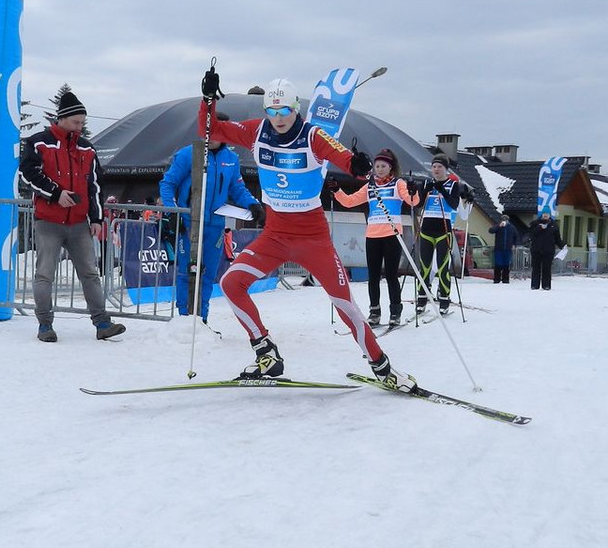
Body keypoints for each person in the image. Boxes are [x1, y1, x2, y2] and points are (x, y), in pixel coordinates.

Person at [198, 69, 412, 390]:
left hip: (313, 240)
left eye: (284, 110)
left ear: (295, 108)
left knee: (345, 306)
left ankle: (382, 367)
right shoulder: (257, 132)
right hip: (275, 235)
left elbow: (339, 154)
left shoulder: (311, 135)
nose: (278, 117)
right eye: (271, 111)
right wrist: (208, 100)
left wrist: (357, 164)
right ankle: (265, 351)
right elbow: (208, 129)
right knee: (231, 283)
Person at [19, 90, 125, 343]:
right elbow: (27, 174)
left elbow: (95, 186)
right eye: (76, 122)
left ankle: (102, 322)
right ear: (62, 119)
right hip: (48, 221)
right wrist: (55, 193)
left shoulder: (87, 148)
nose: (80, 127)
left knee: (90, 273)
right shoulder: (38, 142)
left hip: (79, 222)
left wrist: (97, 219)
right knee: (44, 274)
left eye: (82, 123)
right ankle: (45, 325)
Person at [158, 114, 258, 322]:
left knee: (208, 274)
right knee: (187, 272)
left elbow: (237, 188)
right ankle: (184, 319)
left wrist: (253, 205)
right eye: (206, 131)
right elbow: (167, 184)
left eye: (216, 132)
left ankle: (202, 319)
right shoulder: (188, 154)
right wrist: (172, 211)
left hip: (215, 226)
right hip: (189, 224)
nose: (210, 136)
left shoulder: (231, 159)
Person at [332, 148, 418, 327]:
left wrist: (413, 191)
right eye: (377, 166)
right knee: (373, 276)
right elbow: (350, 201)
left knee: (392, 275)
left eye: (383, 166)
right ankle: (375, 311)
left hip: (393, 235)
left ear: (391, 167)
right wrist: (337, 190)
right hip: (372, 235)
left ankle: (395, 311)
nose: (379, 169)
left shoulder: (398, 184)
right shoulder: (370, 185)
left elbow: (412, 202)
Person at [410, 154, 474, 315]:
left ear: (446, 169)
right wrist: (419, 190)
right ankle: (422, 297)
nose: (436, 169)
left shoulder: (453, 185)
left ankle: (444, 298)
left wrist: (442, 191)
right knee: (424, 266)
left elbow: (453, 205)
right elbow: (417, 204)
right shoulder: (426, 182)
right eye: (434, 167)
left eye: (440, 167)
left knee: (442, 266)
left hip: (443, 230)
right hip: (426, 229)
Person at [527, 211, 565, 290]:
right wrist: (539, 228)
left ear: (549, 215)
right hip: (536, 250)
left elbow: (557, 238)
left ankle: (546, 285)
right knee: (536, 268)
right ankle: (534, 285)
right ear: (541, 214)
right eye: (544, 213)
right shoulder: (534, 223)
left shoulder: (554, 225)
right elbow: (530, 235)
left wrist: (562, 246)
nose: (545, 215)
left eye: (547, 214)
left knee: (547, 268)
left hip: (548, 250)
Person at [487, 216, 519, 284]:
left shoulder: (512, 228)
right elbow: (491, 231)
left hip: (508, 249)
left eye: (506, 220)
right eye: (503, 220)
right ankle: (496, 279)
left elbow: (516, 236)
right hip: (499, 248)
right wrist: (499, 226)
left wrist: (514, 244)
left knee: (506, 264)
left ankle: (505, 279)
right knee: (498, 263)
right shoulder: (498, 227)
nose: (504, 221)